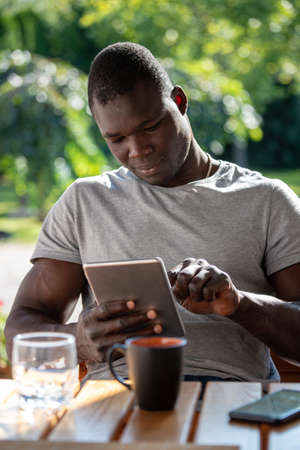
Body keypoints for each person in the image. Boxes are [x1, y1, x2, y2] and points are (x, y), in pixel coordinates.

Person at [5, 42, 300, 383]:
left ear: (179, 102)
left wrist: (239, 304)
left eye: (149, 127)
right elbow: (20, 331)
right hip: (112, 404)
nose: (137, 150)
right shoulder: (84, 202)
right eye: (116, 139)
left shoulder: (266, 200)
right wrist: (78, 342)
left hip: (229, 401)